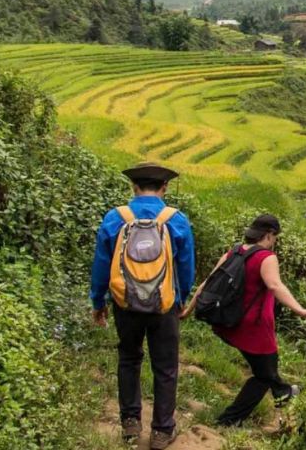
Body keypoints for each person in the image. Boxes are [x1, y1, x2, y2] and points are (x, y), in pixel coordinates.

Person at [90, 162, 195, 449]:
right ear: (165, 188)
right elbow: (186, 267)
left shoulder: (116, 217)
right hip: (164, 305)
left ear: (134, 187)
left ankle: (130, 423)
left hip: (125, 303)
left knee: (128, 358)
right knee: (166, 366)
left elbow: (101, 264)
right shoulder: (176, 220)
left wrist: (98, 301)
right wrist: (181, 298)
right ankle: (162, 431)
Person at [181, 214, 306, 427]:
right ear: (269, 235)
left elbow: (207, 283)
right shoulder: (267, 257)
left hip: (230, 323)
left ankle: (284, 392)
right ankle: (228, 421)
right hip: (255, 329)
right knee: (264, 375)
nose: (275, 241)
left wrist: (187, 311)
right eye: (275, 236)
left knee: (266, 370)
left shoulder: (233, 252)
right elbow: (275, 285)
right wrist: (301, 310)